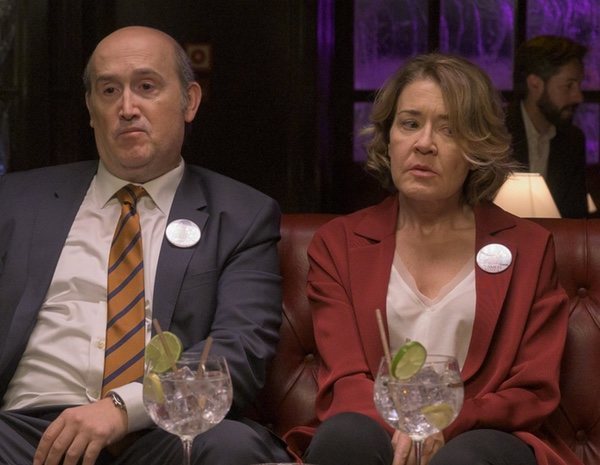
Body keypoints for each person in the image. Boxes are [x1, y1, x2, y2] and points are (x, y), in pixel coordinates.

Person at [0, 26, 290, 465]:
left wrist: (124, 407)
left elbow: (240, 351)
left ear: (189, 101)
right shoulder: (16, 202)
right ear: (91, 109)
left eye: (147, 87)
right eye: (109, 90)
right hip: (27, 433)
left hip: (165, 430)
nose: (127, 108)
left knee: (231, 447)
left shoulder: (240, 217)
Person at [282, 54, 581, 465]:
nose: (424, 143)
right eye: (410, 124)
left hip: (482, 436)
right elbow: (346, 381)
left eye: (450, 129)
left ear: (478, 147)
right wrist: (404, 430)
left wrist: (448, 423)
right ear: (389, 137)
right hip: (372, 430)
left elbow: (532, 390)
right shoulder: (339, 243)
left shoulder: (528, 246)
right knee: (344, 437)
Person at [507, 35, 588, 218]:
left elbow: (575, 216)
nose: (579, 97)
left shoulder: (573, 140)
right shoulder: (495, 132)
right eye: (569, 85)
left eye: (579, 85)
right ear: (535, 84)